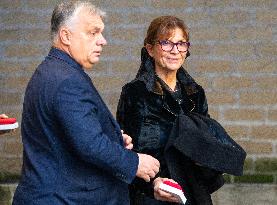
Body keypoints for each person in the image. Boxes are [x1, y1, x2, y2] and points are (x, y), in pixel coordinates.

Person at [12, 1, 160, 205]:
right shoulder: (67, 80)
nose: (102, 41)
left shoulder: (52, 71)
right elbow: (90, 145)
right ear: (66, 36)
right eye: (93, 32)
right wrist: (135, 163)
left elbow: (70, 133)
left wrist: (114, 138)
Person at [117, 16, 224, 205]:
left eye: (181, 44)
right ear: (150, 49)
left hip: (190, 191)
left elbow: (204, 141)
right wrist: (154, 182)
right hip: (152, 193)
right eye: (166, 43)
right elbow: (127, 150)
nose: (175, 51)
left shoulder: (195, 93)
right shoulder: (136, 92)